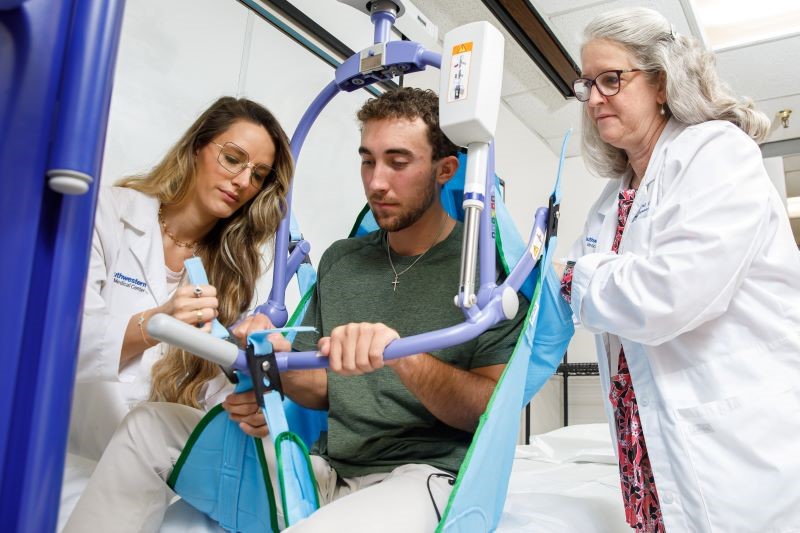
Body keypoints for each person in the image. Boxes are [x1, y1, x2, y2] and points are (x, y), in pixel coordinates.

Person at [63, 87, 527, 532]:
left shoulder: (487, 275)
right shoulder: (342, 261)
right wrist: (271, 366)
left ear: (445, 169)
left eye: (398, 162)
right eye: (367, 161)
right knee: (149, 427)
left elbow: (489, 409)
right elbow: (320, 388)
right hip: (327, 471)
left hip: (419, 476)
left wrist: (402, 357)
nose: (376, 182)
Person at [561, 7, 800, 532]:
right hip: (644, 440)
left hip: (732, 443)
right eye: (586, 84)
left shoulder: (716, 153)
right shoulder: (612, 198)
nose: (594, 97)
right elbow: (570, 299)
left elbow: (668, 296)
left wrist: (570, 276)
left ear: (662, 83)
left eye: (610, 79)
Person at [69, 96, 294, 461]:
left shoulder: (228, 273)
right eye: (233, 158)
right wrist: (158, 323)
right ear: (196, 148)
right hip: (66, 455)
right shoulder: (107, 213)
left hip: (149, 469)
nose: (241, 182)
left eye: (257, 175)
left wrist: (248, 402)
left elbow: (202, 396)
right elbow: (63, 345)